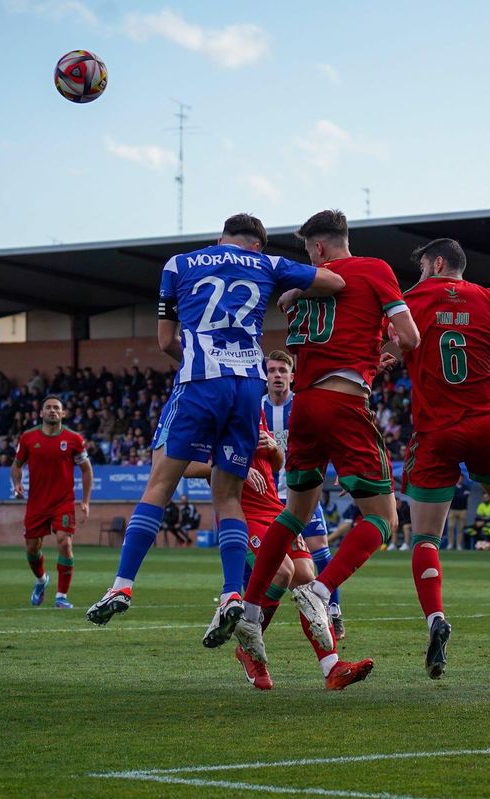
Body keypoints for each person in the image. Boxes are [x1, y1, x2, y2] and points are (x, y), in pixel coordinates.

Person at [86, 213, 344, 659]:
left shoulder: (179, 264)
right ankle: (230, 594)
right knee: (228, 497)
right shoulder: (266, 264)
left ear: (219, 238)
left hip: (200, 381)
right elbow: (334, 282)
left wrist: (199, 363)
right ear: (257, 246)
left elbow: (167, 340)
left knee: (159, 484)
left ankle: (122, 586)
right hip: (247, 387)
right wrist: (295, 290)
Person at [239, 209, 419, 667]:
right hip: (344, 404)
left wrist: (368, 347)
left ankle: (253, 607)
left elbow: (311, 322)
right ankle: (320, 591)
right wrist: (388, 346)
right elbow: (412, 337)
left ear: (318, 249)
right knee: (384, 519)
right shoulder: (374, 268)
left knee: (295, 512)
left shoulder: (302, 291)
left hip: (305, 407)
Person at [388, 237, 490, 678]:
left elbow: (386, 347)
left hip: (435, 431)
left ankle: (437, 619)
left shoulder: (409, 302)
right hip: (484, 424)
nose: (419, 274)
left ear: (437, 262)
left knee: (425, 537)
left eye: (422, 266)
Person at [187, 411, 373, 692]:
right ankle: (251, 653)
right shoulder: (213, 406)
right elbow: (185, 465)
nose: (269, 375)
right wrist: (234, 467)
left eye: (277, 370)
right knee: (281, 573)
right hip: (241, 512)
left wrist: (274, 450)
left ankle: (332, 668)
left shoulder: (255, 409)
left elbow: (273, 464)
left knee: (306, 577)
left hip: (274, 507)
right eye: (269, 369)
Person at [260, 349, 345, 639]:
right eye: (272, 371)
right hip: (269, 497)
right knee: (267, 558)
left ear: (292, 376)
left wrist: (343, 470)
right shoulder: (256, 408)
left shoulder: (303, 405)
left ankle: (333, 611)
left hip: (302, 491)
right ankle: (246, 606)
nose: (277, 376)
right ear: (266, 375)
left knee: (320, 548)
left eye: (283, 371)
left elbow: (329, 437)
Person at [13, 395, 92, 608]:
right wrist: (17, 483)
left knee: (65, 543)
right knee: (31, 548)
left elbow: (86, 470)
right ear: (41, 413)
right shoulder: (28, 438)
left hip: (63, 502)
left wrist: (85, 500)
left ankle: (61, 596)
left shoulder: (74, 439)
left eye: (57, 408)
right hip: (37, 503)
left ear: (63, 413)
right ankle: (41, 580)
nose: (52, 411)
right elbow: (17, 464)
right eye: (48, 407)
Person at [447, 475, 471, 551]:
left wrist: (457, 496)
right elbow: (452, 497)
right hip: (453, 510)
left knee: (460, 528)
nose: (460, 479)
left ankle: (459, 544)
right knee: (450, 527)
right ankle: (450, 544)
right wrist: (459, 496)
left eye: (461, 478)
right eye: (458, 477)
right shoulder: (452, 487)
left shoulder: (466, 488)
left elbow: (464, 498)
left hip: (462, 510)